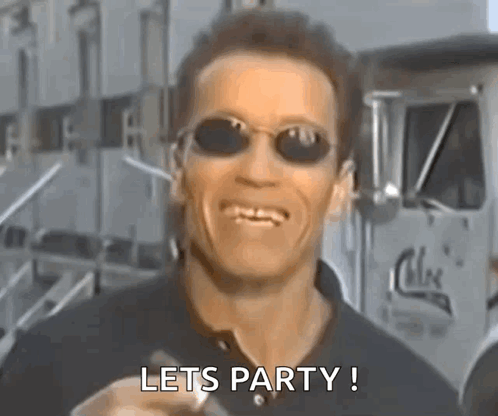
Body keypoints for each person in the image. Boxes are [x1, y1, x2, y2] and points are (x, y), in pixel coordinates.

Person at [0, 9, 463, 416]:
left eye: (299, 143)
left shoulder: (420, 402)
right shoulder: (53, 366)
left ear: (342, 188)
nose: (257, 172)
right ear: (178, 169)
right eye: (224, 136)